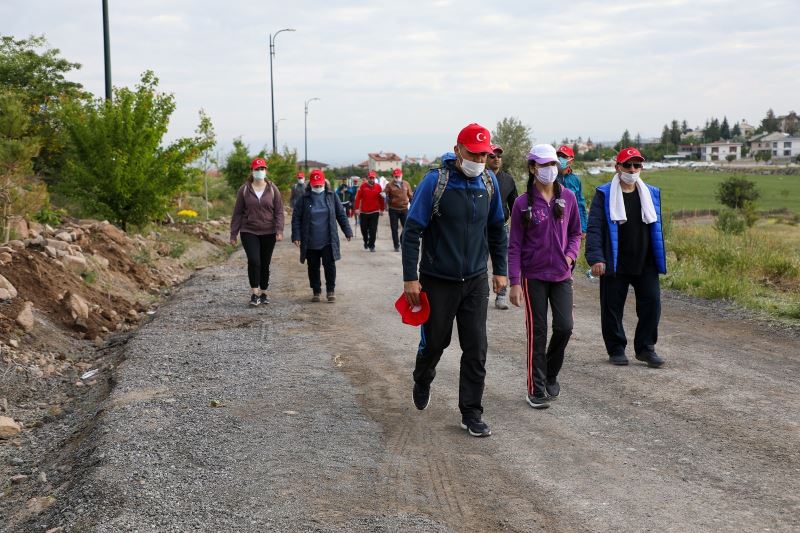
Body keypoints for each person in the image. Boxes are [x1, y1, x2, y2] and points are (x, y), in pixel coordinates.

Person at [402, 123, 508, 438]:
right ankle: (423, 376)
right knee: (436, 342)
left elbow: (497, 229)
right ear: (459, 149)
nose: (479, 159)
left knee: (476, 347)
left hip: (475, 280)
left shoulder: (489, 183)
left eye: (484, 154)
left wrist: (500, 270)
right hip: (437, 280)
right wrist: (410, 278)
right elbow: (412, 231)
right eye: (474, 153)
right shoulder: (436, 182)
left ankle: (471, 413)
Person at [508, 145, 582, 409]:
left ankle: (550, 373)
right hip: (533, 276)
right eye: (543, 165)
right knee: (537, 332)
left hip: (561, 274)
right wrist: (514, 282)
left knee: (565, 327)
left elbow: (575, 233)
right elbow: (514, 244)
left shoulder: (569, 198)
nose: (549, 169)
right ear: (532, 168)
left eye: (552, 164)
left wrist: (571, 257)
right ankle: (536, 389)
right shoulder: (522, 204)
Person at [585, 147, 667, 368]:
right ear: (617, 167)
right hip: (615, 259)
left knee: (652, 303)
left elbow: (657, 227)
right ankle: (616, 348)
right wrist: (595, 258)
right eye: (627, 165)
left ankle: (646, 348)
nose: (632, 169)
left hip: (645, 259)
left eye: (637, 165)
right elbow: (594, 228)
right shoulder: (604, 194)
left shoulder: (651, 193)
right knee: (612, 307)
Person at [291, 169, 353, 302]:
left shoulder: (331, 196)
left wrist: (347, 231)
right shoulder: (304, 199)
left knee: (329, 265)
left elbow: (341, 215)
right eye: (315, 185)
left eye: (320, 185)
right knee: (313, 267)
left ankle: (330, 290)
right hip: (311, 240)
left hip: (328, 239)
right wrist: (296, 235)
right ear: (311, 184)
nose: (318, 188)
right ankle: (316, 291)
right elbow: (296, 218)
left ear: (324, 183)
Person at [230, 158, 284, 306]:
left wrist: (279, 230)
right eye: (257, 169)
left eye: (262, 169)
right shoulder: (244, 190)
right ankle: (255, 293)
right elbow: (238, 213)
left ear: (266, 170)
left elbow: (279, 211)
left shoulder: (273, 189)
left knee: (265, 263)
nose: (260, 172)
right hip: (249, 230)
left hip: (268, 231)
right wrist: (233, 233)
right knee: (254, 261)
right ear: (252, 171)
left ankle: (264, 292)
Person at [486, 144, 518, 309]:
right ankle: (482, 294)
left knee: (502, 261)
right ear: (486, 158)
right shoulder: (480, 177)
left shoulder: (508, 180)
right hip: (481, 228)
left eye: (499, 156)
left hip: (501, 227)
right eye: (492, 156)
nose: (496, 159)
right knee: (480, 261)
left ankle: (501, 296)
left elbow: (515, 206)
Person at [556, 145, 588, 236]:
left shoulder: (575, 180)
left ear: (571, 160)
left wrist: (583, 228)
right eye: (559, 156)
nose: (560, 159)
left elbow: (580, 204)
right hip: (554, 223)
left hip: (571, 224)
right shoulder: (551, 177)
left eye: (564, 157)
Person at [384, 167, 414, 252]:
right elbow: (384, 194)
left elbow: (410, 195)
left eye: (398, 176)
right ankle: (396, 245)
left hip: (404, 209)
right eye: (395, 176)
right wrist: (385, 197)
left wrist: (413, 206)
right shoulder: (389, 185)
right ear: (393, 176)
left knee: (406, 228)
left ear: (401, 175)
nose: (397, 177)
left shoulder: (406, 184)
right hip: (393, 209)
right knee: (394, 228)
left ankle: (403, 242)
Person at [354, 170, 384, 252]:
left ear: (375, 178)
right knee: (364, 229)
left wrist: (382, 209)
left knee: (373, 229)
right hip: (364, 212)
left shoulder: (378, 187)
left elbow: (381, 199)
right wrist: (356, 208)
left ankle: (372, 245)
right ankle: (365, 240)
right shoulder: (363, 186)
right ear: (368, 178)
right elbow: (358, 198)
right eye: (370, 178)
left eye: (373, 178)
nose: (371, 179)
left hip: (375, 212)